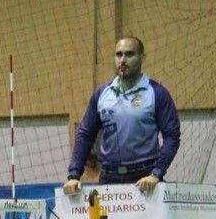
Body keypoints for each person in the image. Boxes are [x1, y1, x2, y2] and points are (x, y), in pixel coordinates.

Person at [64, 36, 181, 195]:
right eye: (119, 54)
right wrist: (74, 174)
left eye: (129, 54)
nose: (123, 60)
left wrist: (156, 173)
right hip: (109, 178)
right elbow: (85, 134)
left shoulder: (157, 93)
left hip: (145, 178)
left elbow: (172, 136)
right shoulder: (101, 94)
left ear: (142, 57)